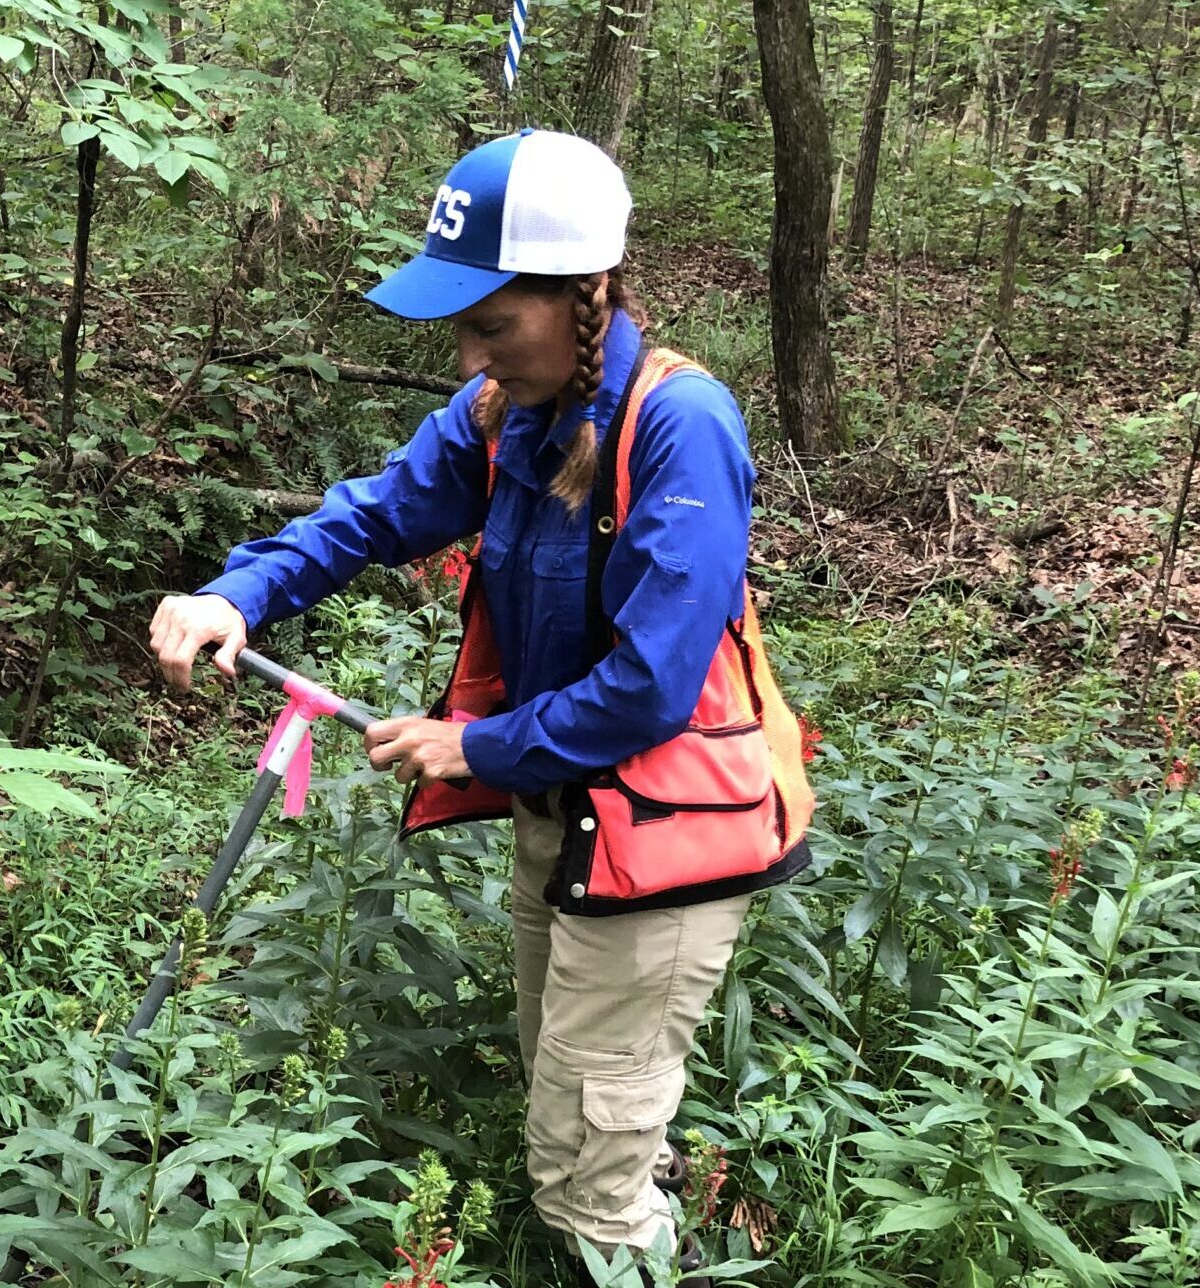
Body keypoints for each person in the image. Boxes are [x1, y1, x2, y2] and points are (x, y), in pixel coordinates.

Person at [150, 129, 815, 1282]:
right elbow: (372, 514)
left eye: (494, 323)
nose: (471, 352)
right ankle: (663, 1208)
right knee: (571, 1096)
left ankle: (648, 1245)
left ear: (588, 291)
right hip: (562, 817)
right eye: (462, 326)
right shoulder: (504, 409)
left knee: (582, 1168)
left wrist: (475, 744)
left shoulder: (680, 425)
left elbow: (654, 681)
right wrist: (236, 592)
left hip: (662, 840)